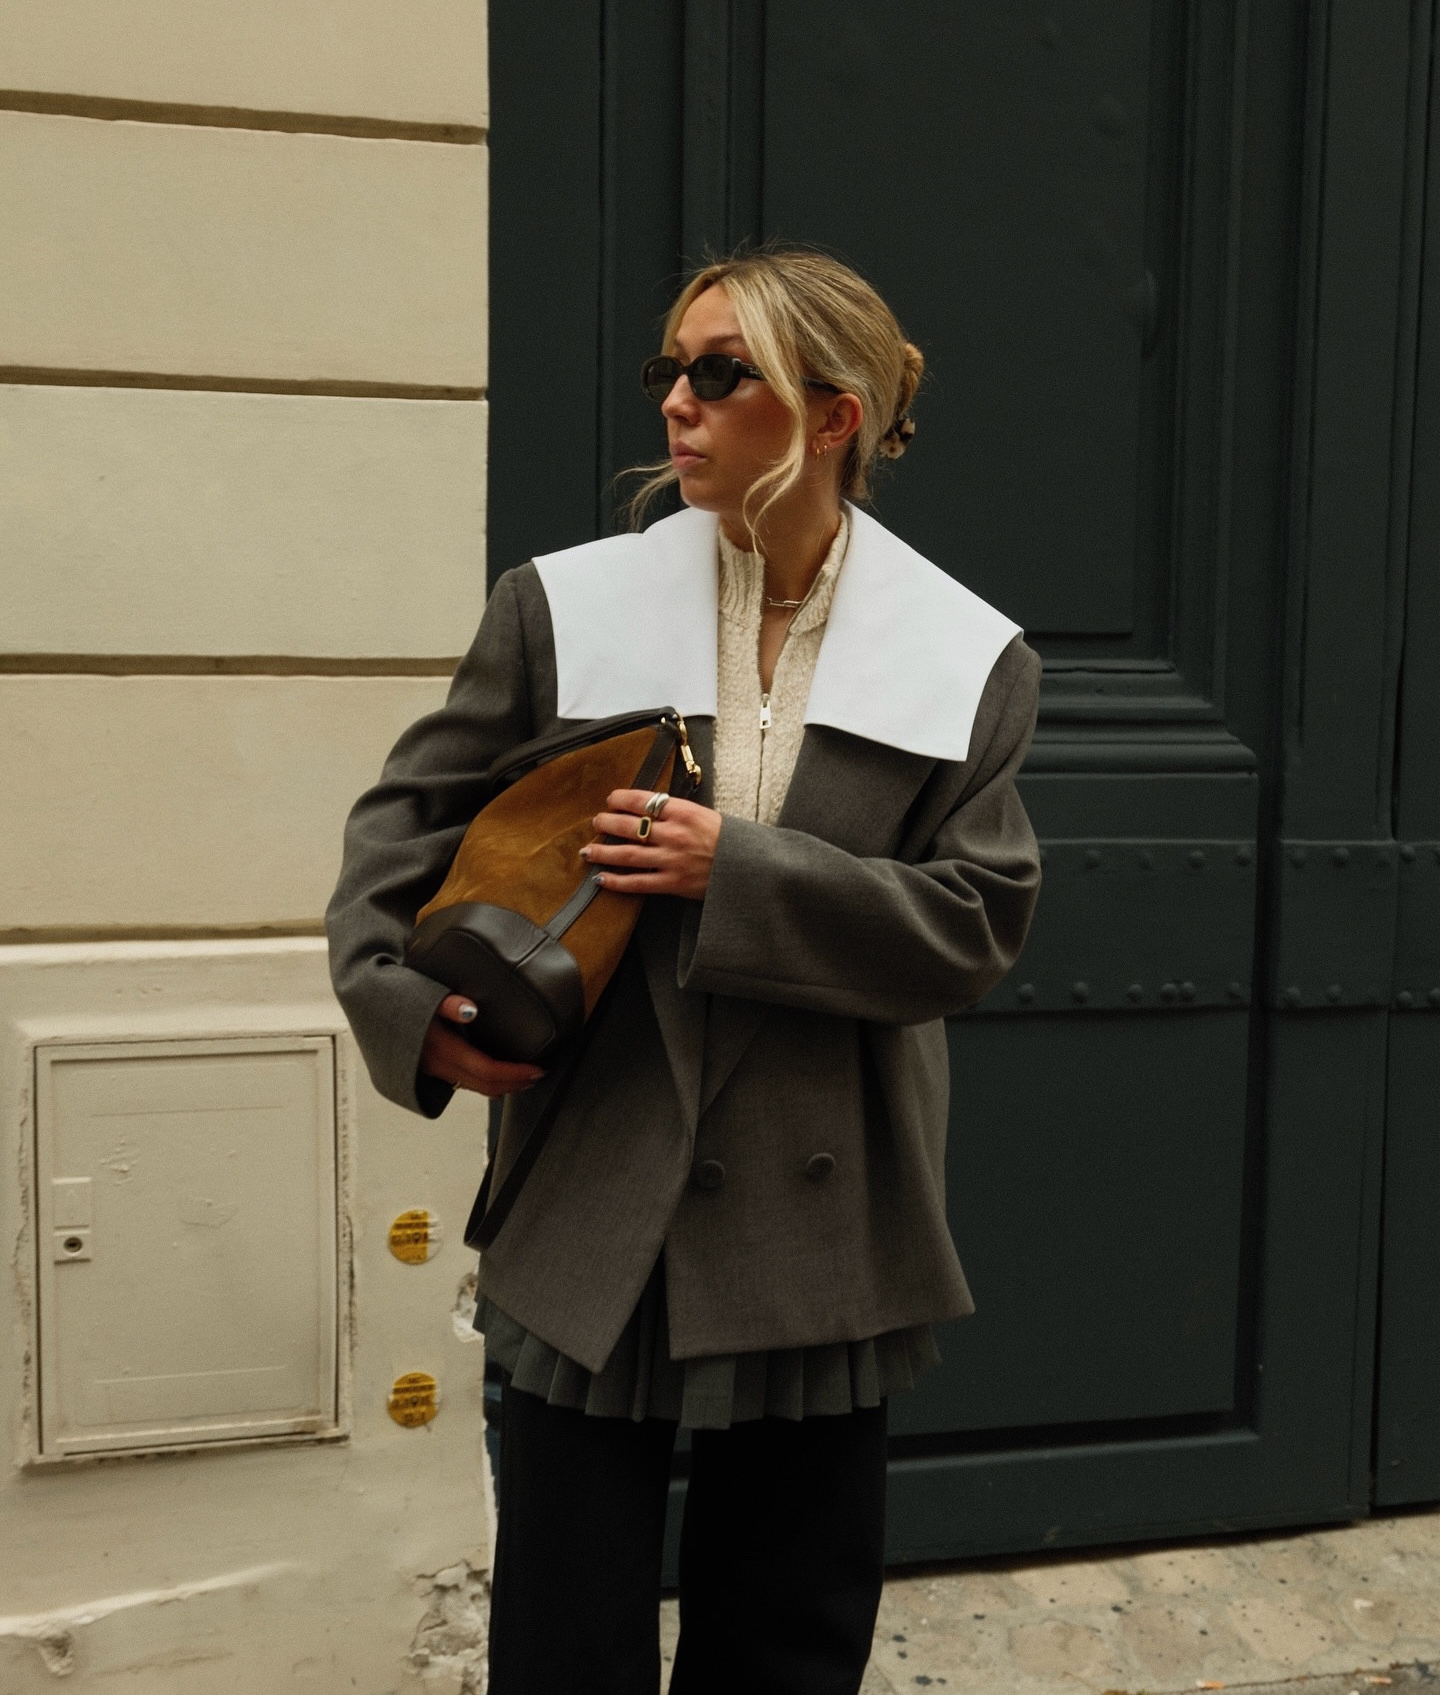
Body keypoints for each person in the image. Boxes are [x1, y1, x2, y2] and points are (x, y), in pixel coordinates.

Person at [326, 247, 1042, 1695]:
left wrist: (744, 872)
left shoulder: (964, 654)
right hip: (598, 1167)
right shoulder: (565, 605)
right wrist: (407, 1016)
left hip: (828, 1197)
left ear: (831, 414)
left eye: (723, 373)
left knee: (786, 1636)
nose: (679, 402)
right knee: (564, 1634)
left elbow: (976, 922)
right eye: (672, 368)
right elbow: (398, 832)